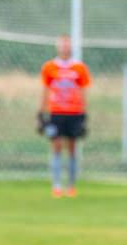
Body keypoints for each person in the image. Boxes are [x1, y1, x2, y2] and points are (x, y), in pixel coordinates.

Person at [39, 35, 90, 198]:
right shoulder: (49, 67)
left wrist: (84, 114)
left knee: (72, 148)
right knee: (56, 146)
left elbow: (83, 91)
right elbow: (45, 90)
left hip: (74, 112)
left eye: (67, 45)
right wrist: (41, 112)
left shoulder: (79, 68)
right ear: (58, 47)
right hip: (56, 112)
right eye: (62, 45)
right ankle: (56, 185)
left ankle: (71, 185)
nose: (65, 47)